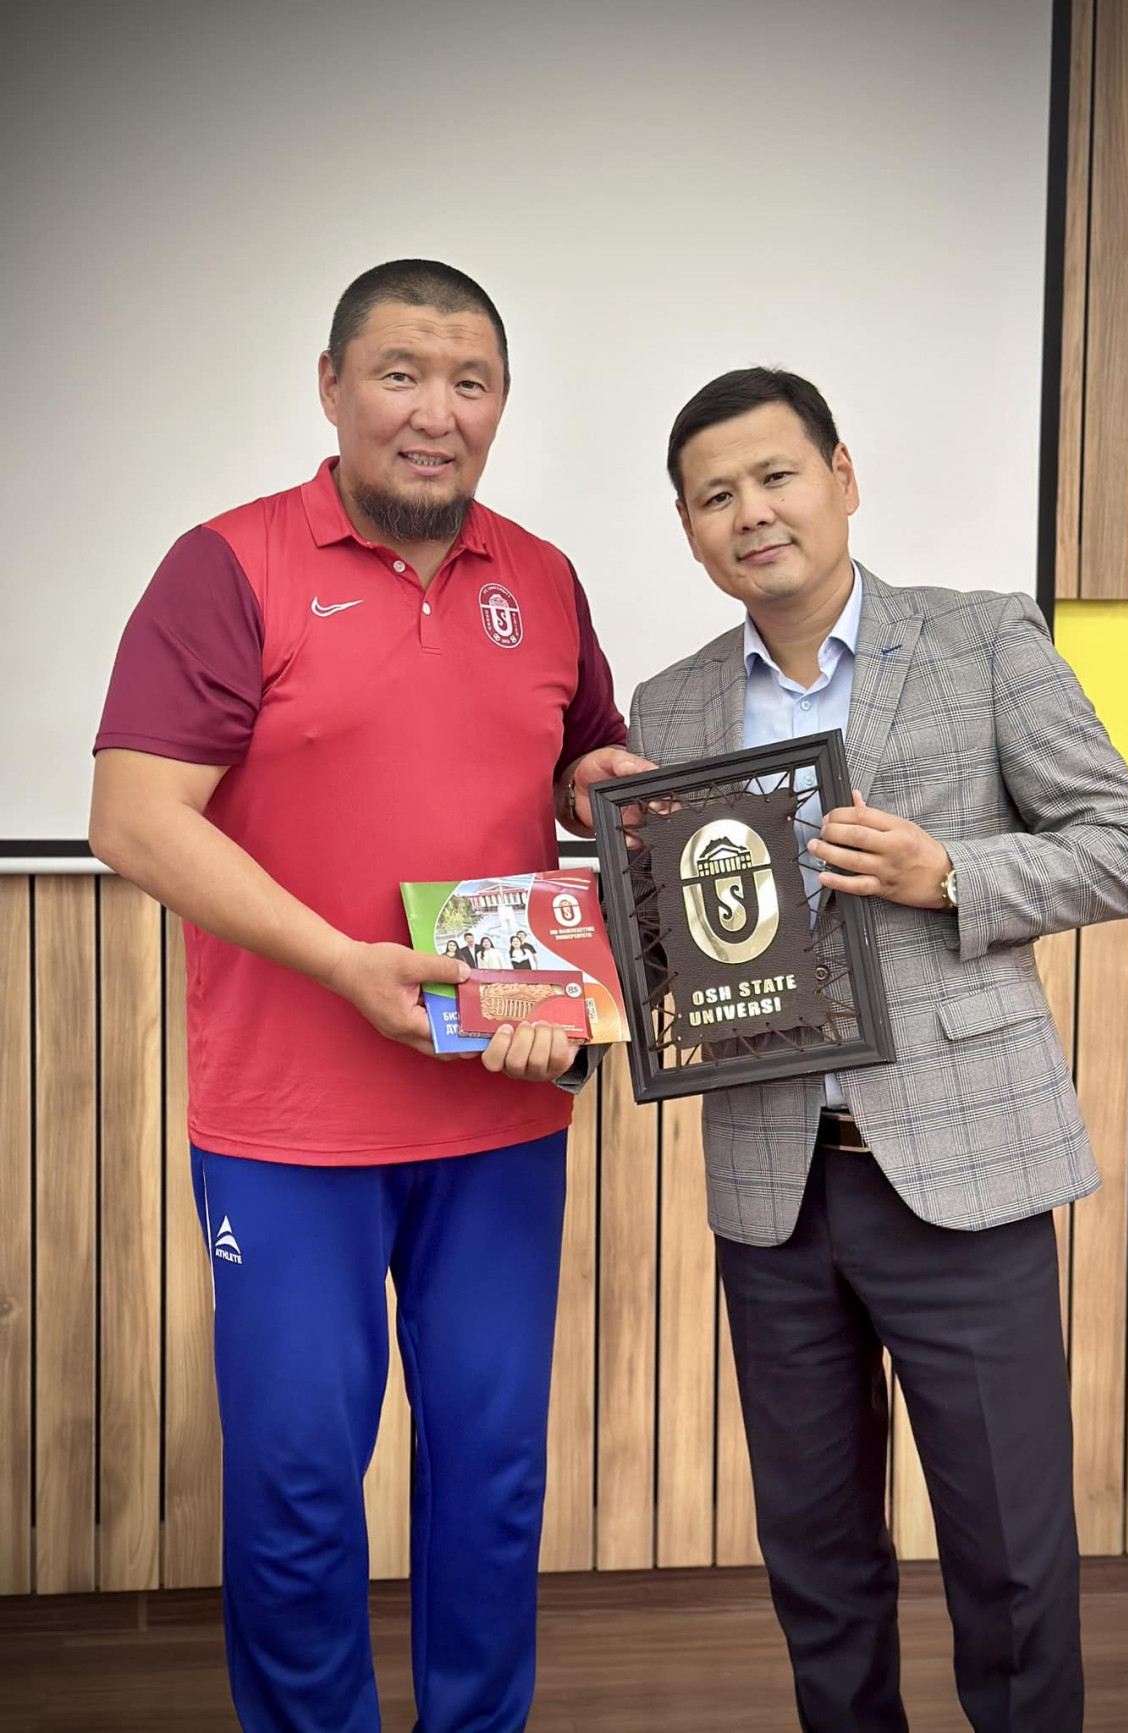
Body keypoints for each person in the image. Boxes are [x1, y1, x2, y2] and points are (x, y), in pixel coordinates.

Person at [89, 258, 650, 1733]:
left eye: (470, 383)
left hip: (501, 1110)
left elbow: (575, 767)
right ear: (331, 387)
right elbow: (134, 819)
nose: (434, 412)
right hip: (288, 1132)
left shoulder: (545, 579)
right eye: (400, 374)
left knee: (494, 1479)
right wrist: (344, 964)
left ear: (503, 404)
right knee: (295, 1490)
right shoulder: (228, 565)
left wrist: (597, 785)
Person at [626, 368, 1128, 1733]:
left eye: (776, 476)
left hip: (963, 1172)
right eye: (716, 496)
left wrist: (950, 874)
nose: (753, 512)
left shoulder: (983, 639)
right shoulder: (670, 707)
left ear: (843, 476)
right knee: (816, 1558)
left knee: (1012, 1558)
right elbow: (674, 934)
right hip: (773, 1187)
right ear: (689, 531)